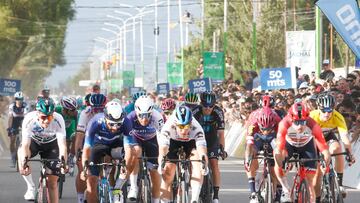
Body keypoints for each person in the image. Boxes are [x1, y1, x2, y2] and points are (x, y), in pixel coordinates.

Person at [274, 102, 330, 203]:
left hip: (306, 147)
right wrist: (281, 164)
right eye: (296, 122)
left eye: (303, 122)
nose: (300, 126)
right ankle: (285, 189)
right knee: (277, 155)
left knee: (310, 182)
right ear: (291, 119)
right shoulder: (284, 123)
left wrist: (325, 163)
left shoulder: (313, 124)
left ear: (307, 119)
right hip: (289, 146)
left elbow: (324, 148)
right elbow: (279, 148)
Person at [81, 101, 134, 203]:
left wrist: (125, 165)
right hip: (97, 146)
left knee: (133, 156)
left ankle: (117, 188)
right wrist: (84, 168)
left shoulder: (126, 122)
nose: (115, 127)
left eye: (118, 124)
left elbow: (128, 149)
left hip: (115, 145)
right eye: (112, 124)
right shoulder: (95, 122)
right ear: (105, 118)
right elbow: (87, 148)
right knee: (91, 182)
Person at [18, 98, 67, 202]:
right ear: (37, 114)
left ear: (53, 115)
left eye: (49, 117)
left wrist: (64, 163)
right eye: (43, 117)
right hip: (34, 143)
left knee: (52, 183)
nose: (46, 121)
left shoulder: (59, 119)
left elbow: (62, 145)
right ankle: (30, 187)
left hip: (52, 146)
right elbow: (25, 145)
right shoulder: (29, 119)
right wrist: (25, 163)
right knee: (21, 155)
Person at [309, 94, 355, 201]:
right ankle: (317, 199)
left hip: (328, 137)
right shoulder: (312, 116)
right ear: (318, 108)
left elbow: (344, 137)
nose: (327, 113)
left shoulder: (337, 116)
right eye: (324, 110)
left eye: (329, 110)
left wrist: (349, 153)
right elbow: (308, 139)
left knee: (337, 149)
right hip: (314, 139)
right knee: (317, 174)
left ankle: (339, 183)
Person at [158, 105, 209, 203]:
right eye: (180, 126)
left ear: (191, 123)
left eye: (186, 126)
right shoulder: (168, 127)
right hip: (173, 142)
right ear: (175, 124)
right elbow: (163, 149)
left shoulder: (197, 128)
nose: (184, 130)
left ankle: (194, 198)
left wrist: (204, 165)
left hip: (191, 142)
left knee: (198, 162)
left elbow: (202, 151)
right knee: (168, 173)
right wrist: (161, 163)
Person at [126, 95, 164, 202]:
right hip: (136, 138)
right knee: (136, 152)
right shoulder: (130, 118)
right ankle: (133, 187)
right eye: (141, 115)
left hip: (152, 139)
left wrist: (162, 156)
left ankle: (155, 200)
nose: (144, 119)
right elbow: (126, 139)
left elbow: (162, 139)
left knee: (155, 174)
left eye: (148, 115)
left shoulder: (157, 117)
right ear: (136, 112)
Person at [192, 91, 227, 203]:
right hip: (197, 138)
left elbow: (221, 133)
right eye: (205, 106)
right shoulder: (195, 111)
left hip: (212, 138)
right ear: (200, 104)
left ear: (214, 105)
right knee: (195, 163)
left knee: (214, 163)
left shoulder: (218, 111)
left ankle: (216, 196)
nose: (208, 109)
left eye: (211, 106)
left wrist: (222, 148)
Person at [74, 93, 107, 203]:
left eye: (100, 109)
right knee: (82, 168)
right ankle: (80, 198)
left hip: (103, 138)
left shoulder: (109, 111)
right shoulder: (85, 113)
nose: (97, 111)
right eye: (95, 109)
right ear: (90, 106)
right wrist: (78, 152)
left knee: (109, 160)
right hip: (88, 139)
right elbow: (79, 136)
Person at [244, 108, 280, 203]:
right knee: (251, 158)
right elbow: (249, 145)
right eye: (263, 129)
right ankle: (253, 194)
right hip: (257, 137)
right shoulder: (253, 124)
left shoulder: (278, 121)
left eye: (269, 129)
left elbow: (281, 145)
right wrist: (248, 159)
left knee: (276, 166)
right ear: (259, 124)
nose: (266, 131)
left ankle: (278, 192)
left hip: (273, 138)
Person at [55, 96, 78, 175]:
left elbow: (78, 127)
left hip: (69, 128)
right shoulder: (57, 110)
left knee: (75, 136)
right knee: (63, 146)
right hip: (59, 128)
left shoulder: (75, 114)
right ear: (65, 109)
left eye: (75, 109)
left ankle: (71, 157)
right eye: (72, 110)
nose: (75, 111)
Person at [7, 91, 29, 167]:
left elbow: (26, 118)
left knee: (26, 140)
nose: (19, 101)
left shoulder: (25, 105)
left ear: (23, 99)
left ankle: (24, 156)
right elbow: (10, 118)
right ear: (15, 99)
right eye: (17, 99)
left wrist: (27, 128)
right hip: (14, 122)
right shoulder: (11, 106)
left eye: (21, 99)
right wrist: (10, 128)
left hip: (22, 121)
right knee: (12, 140)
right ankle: (13, 157)